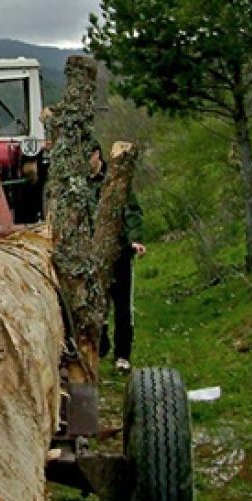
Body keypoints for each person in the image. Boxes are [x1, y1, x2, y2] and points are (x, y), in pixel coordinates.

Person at [88, 142, 146, 373]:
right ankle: (99, 344)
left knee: (123, 305)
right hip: (90, 253)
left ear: (97, 155)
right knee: (94, 302)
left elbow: (132, 211)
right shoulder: (77, 184)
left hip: (119, 251)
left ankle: (123, 355)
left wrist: (135, 239)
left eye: (88, 155)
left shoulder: (114, 181)